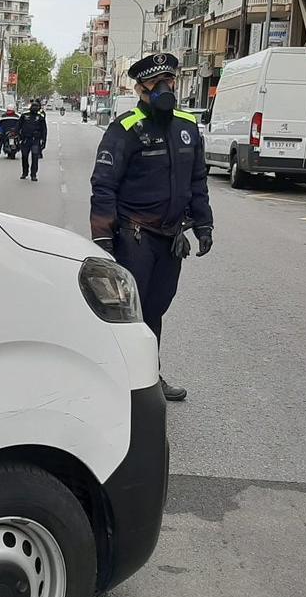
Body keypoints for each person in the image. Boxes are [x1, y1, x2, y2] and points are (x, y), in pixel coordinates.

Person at [88, 52, 213, 402]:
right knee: (128, 313)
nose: (164, 88)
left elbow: (198, 180)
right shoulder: (125, 129)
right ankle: (115, 382)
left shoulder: (187, 127)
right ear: (140, 88)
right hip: (134, 237)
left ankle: (148, 378)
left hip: (171, 239)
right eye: (156, 83)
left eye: (169, 81)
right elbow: (104, 184)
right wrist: (103, 238)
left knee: (155, 310)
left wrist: (204, 224)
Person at [18, 100, 48, 181]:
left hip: (35, 140)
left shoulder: (40, 117)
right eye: (33, 106)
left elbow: (44, 130)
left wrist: (44, 141)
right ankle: (25, 173)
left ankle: (33, 174)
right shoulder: (24, 115)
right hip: (25, 140)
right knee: (24, 156)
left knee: (35, 158)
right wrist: (17, 137)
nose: (34, 108)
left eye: (36, 107)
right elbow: (18, 127)